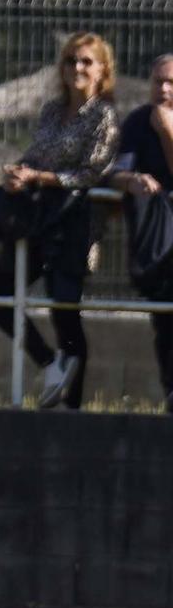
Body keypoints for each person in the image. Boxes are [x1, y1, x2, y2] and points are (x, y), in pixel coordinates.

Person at [0, 32, 121, 410]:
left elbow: (92, 173)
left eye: (87, 61)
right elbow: (37, 155)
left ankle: (72, 407)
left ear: (102, 69)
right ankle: (48, 362)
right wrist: (18, 172)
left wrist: (41, 178)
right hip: (39, 219)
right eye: (72, 60)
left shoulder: (104, 115)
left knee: (65, 309)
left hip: (74, 223)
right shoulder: (52, 111)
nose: (77, 68)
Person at [109, 53, 173, 411]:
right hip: (159, 241)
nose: (163, 89)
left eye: (171, 83)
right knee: (165, 322)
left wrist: (166, 128)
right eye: (157, 81)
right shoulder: (137, 121)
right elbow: (115, 172)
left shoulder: (160, 121)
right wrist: (132, 179)